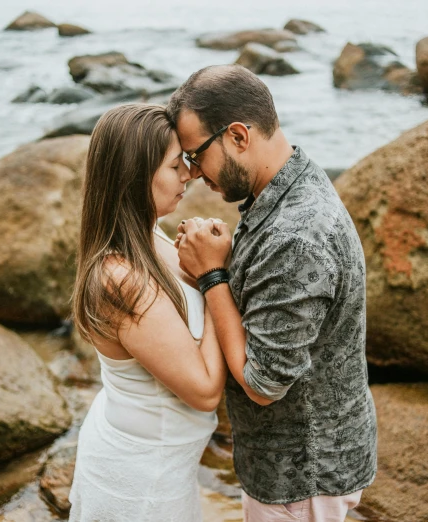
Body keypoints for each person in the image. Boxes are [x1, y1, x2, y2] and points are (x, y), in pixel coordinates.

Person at [167, 64, 378, 522]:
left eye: (196, 155)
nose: (194, 173)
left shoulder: (296, 237)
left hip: (300, 476)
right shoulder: (286, 185)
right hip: (295, 462)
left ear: (239, 136)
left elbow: (263, 384)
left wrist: (213, 274)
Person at [68, 103, 228, 522]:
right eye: (177, 165)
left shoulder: (148, 234)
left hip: (158, 458)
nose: (190, 175)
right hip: (141, 481)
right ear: (135, 176)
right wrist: (214, 277)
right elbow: (205, 390)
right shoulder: (120, 278)